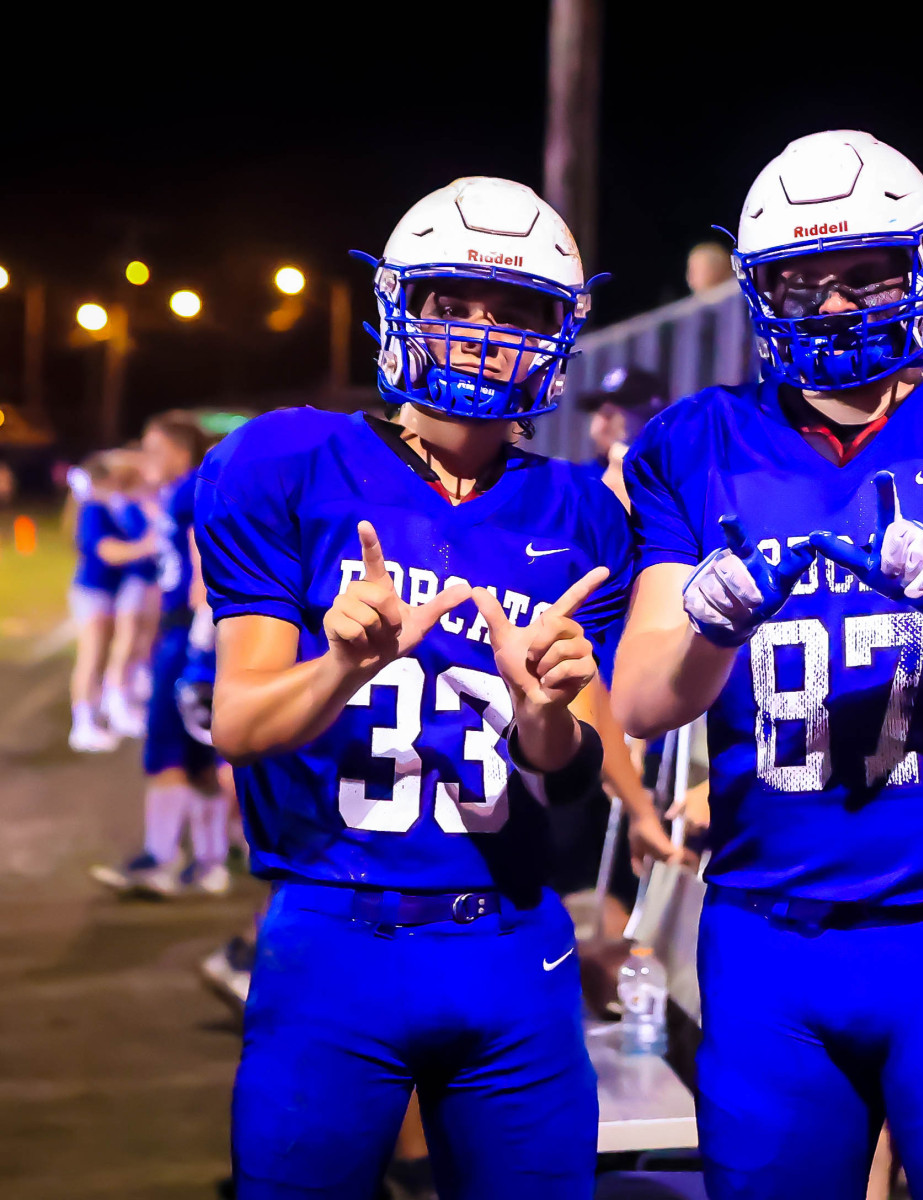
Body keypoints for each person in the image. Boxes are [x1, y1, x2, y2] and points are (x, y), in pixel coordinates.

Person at [613, 130, 923, 1199]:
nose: (838, 305)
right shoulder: (697, 441)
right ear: (760, 292)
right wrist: (709, 623)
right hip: (768, 929)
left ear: (922, 270)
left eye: (868, 274)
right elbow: (641, 700)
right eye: (805, 280)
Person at [196, 176, 630, 1200]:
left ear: (554, 334)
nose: (481, 333)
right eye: (453, 303)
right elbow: (239, 723)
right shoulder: (291, 462)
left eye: (513, 312)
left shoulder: (580, 511)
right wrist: (339, 666)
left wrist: (544, 717)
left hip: (514, 939)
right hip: (334, 931)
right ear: (404, 308)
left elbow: (572, 776)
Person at [91, 412, 230, 896]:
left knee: (166, 749)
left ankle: (161, 858)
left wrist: (199, 636)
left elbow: (202, 560)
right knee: (200, 755)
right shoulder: (188, 488)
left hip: (188, 632)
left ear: (179, 450)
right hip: (194, 630)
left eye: (155, 448)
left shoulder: (189, 489)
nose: (146, 458)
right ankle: (210, 863)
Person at [67, 452, 156, 753]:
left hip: (107, 591)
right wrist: (148, 546)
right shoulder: (93, 508)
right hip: (92, 591)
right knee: (91, 657)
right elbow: (107, 551)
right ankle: (82, 725)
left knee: (102, 654)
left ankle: (95, 716)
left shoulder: (112, 506)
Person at [574, 365, 670, 508]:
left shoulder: (678, 483)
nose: (597, 428)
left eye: (609, 415)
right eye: (596, 413)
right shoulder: (581, 480)